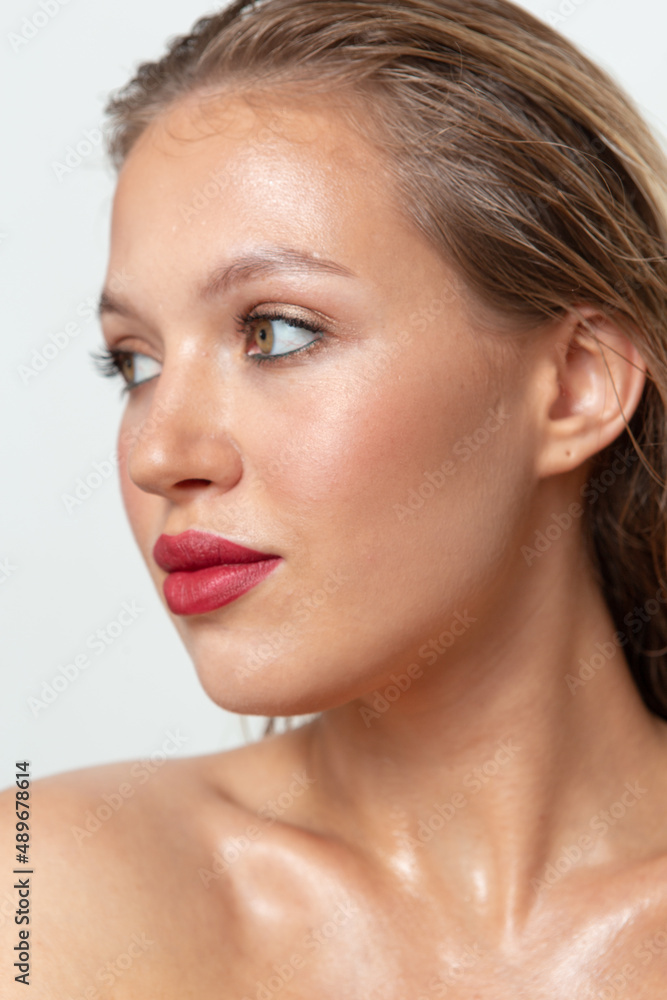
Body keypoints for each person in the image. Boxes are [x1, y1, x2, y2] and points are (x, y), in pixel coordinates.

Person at [3, 0, 667, 995]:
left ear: (573, 383)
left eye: (274, 332)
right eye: (132, 362)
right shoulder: (38, 887)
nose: (158, 452)